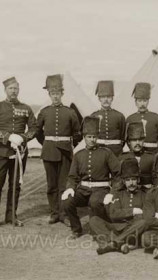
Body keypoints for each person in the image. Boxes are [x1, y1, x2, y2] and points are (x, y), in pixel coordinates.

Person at [62, 116, 120, 239]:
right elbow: (72, 176)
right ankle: (76, 229)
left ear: (97, 137)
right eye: (89, 137)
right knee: (67, 201)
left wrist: (113, 192)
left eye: (94, 137)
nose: (92, 140)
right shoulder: (79, 155)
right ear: (84, 138)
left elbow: (118, 174)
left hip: (101, 190)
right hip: (83, 190)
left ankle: (96, 230)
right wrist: (70, 188)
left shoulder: (106, 153)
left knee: (95, 202)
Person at [36, 74, 82, 225]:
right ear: (49, 94)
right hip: (48, 152)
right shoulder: (44, 112)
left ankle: (63, 213)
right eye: (52, 93)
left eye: (57, 93)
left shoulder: (70, 112)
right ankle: (54, 213)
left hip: (65, 153)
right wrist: (48, 144)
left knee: (64, 184)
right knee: (51, 185)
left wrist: (69, 145)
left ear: (62, 93)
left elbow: (77, 133)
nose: (55, 96)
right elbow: (38, 132)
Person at [90, 158, 147, 255]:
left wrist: (134, 215)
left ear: (138, 179)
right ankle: (119, 244)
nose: (131, 183)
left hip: (132, 230)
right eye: (128, 180)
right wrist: (132, 211)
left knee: (144, 222)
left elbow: (145, 214)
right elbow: (113, 214)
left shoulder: (144, 193)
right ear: (124, 181)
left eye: (133, 179)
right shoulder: (117, 192)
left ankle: (112, 243)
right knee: (94, 220)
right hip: (116, 228)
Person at [0, 77, 37, 226]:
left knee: (15, 185)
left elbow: (34, 128)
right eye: (11, 88)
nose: (13, 91)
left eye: (16, 88)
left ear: (19, 90)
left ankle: (11, 216)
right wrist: (8, 137)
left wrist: (23, 138)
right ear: (5, 90)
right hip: (1, 152)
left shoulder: (26, 108)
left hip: (19, 153)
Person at [126, 82, 158, 153]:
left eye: (145, 101)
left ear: (148, 101)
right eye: (139, 101)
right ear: (135, 102)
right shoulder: (130, 119)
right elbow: (127, 139)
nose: (142, 104)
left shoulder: (156, 118)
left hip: (153, 153)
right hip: (136, 154)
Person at [90, 80, 125, 157]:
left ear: (112, 98)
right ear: (99, 98)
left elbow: (123, 137)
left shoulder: (119, 116)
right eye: (103, 97)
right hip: (98, 151)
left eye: (108, 96)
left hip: (116, 152)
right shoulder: (93, 116)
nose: (106, 99)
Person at [119, 121, 155, 192]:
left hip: (147, 193)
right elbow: (119, 180)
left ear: (143, 141)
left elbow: (156, 179)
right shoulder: (122, 158)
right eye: (134, 140)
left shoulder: (151, 158)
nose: (137, 143)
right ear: (129, 142)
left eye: (140, 140)